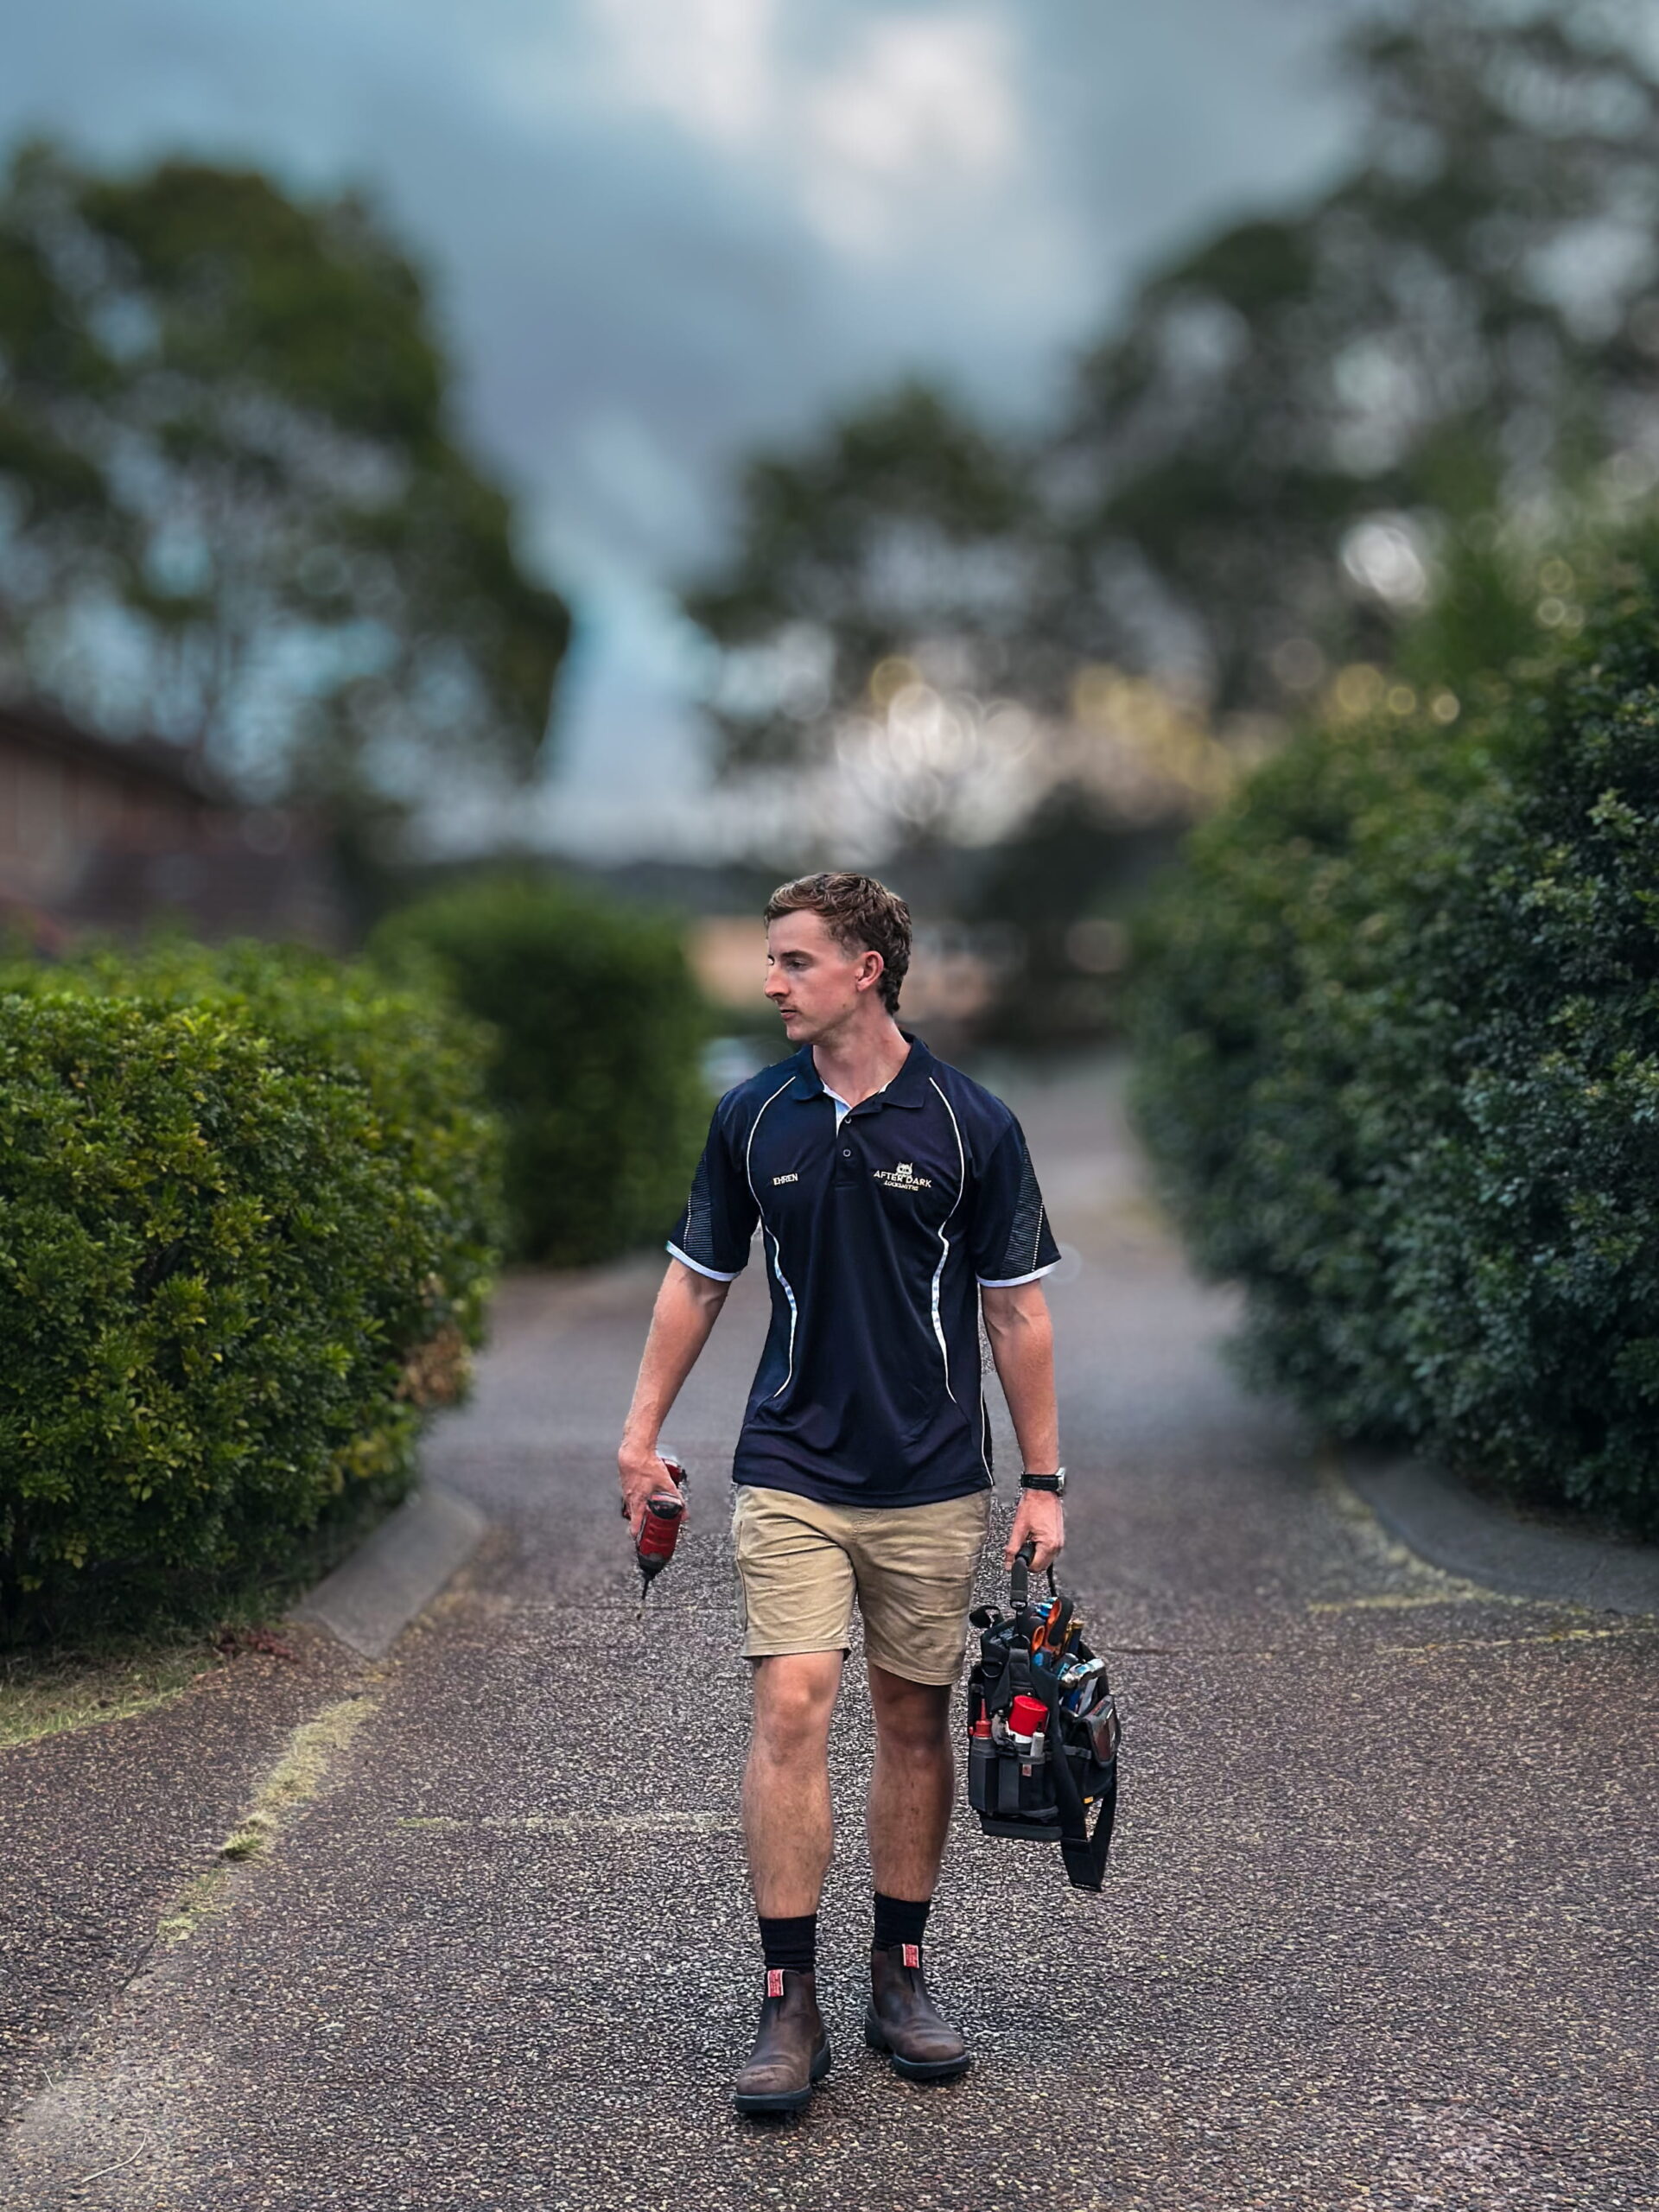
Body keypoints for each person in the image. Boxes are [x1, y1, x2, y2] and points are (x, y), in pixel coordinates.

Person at [616, 872, 1065, 2115]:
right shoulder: (754, 1118)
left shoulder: (973, 1124)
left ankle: (902, 1975)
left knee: (915, 1722)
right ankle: (787, 2000)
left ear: (867, 968)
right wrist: (639, 1434)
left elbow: (1017, 1312)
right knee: (794, 1706)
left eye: (795, 960)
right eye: (771, 960)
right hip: (792, 1464)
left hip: (930, 1476)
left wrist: (1044, 1480)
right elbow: (697, 1280)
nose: (772, 981)